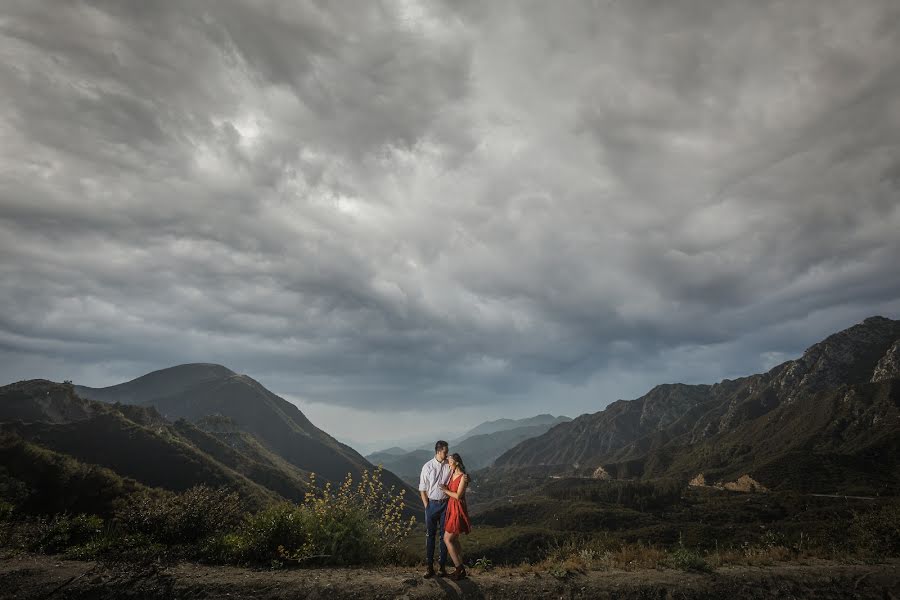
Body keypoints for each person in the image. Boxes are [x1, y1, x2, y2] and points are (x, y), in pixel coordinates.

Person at [419, 440, 451, 578]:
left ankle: (442, 567)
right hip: (431, 505)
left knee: (444, 537)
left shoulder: (449, 465)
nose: (447, 453)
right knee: (430, 536)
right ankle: (429, 567)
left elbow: (459, 475)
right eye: (445, 451)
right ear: (438, 451)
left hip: (446, 505)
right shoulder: (427, 467)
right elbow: (422, 488)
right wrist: (427, 506)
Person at [440, 453, 472, 580]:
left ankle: (459, 568)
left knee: (447, 539)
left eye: (450, 461)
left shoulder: (463, 477)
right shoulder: (452, 474)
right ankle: (460, 567)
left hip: (457, 508)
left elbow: (458, 496)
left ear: (456, 462)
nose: (448, 463)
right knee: (454, 539)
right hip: (451, 508)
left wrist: (444, 490)